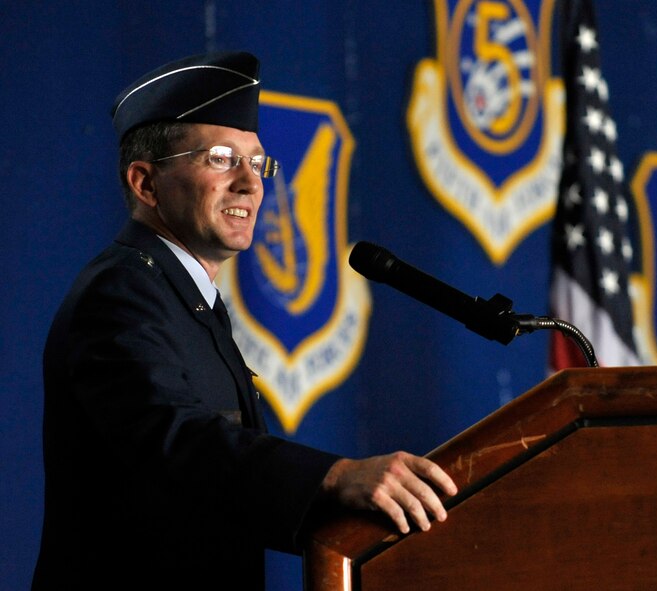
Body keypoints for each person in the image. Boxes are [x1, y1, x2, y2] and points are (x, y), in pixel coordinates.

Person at [32, 51, 457, 589]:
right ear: (145, 184)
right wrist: (334, 477)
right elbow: (176, 440)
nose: (250, 184)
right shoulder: (120, 292)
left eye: (257, 163)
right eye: (219, 158)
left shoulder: (178, 293)